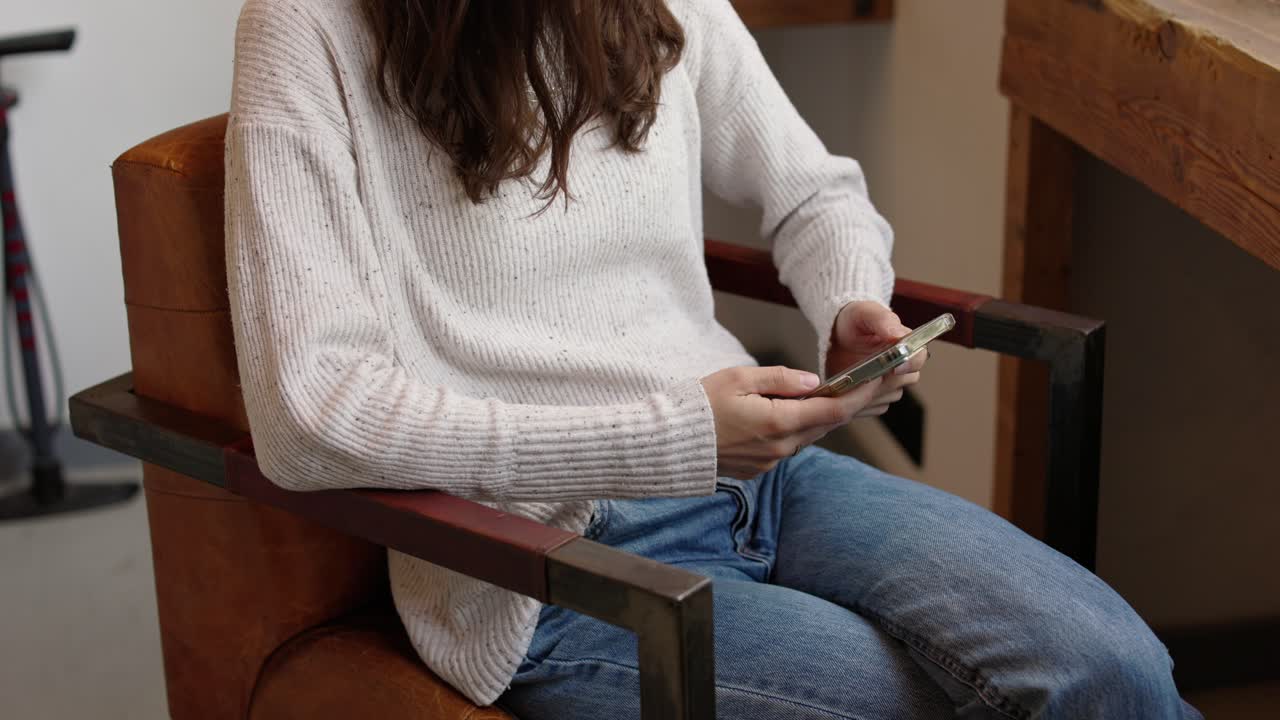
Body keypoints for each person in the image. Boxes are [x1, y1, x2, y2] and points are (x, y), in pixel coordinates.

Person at [224, 0, 1201, 717]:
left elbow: (813, 193)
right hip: (540, 568)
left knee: (1111, 667)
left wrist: (849, 301)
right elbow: (307, 413)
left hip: (763, 481)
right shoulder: (303, 25)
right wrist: (671, 438)